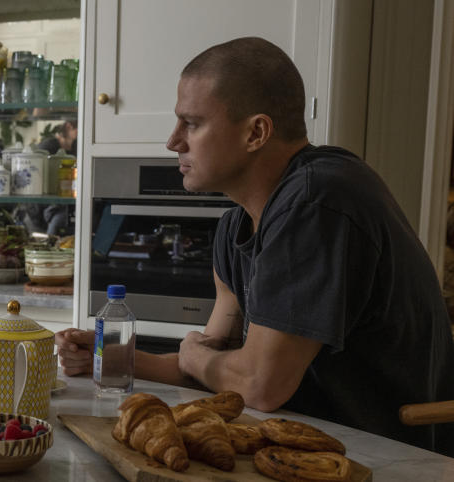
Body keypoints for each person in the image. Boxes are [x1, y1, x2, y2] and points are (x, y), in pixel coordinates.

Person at [57, 37, 454, 456]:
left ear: (256, 132)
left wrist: (196, 359)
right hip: (306, 448)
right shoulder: (236, 227)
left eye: (191, 123)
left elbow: (259, 385)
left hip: (388, 460)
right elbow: (218, 369)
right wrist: (117, 360)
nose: (173, 141)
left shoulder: (317, 200)